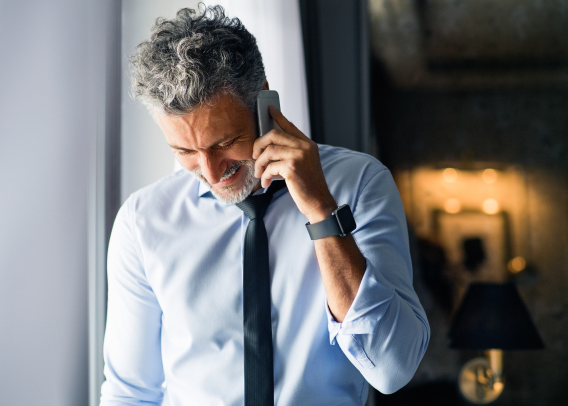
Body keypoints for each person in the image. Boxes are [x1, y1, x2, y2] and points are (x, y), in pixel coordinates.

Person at [101, 5, 429, 406]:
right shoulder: (143, 221)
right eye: (185, 150)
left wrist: (321, 212)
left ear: (264, 101)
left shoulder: (359, 184)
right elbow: (130, 393)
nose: (211, 170)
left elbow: (392, 369)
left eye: (223, 143)